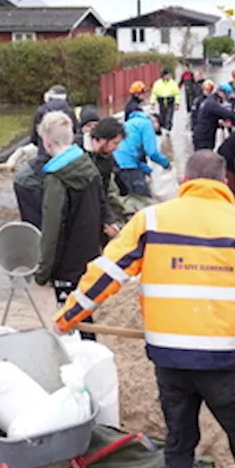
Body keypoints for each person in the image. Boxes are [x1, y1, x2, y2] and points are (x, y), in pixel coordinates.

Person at [54, 150, 235, 468]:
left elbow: (106, 272)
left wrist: (68, 317)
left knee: (180, 438)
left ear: (185, 181)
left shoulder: (151, 221)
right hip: (227, 361)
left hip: (171, 359)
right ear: (225, 183)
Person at [34, 112, 107, 341]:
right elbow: (102, 207)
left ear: (46, 142)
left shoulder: (57, 178)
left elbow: (52, 229)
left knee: (70, 318)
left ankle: (80, 367)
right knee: (85, 314)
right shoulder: (88, 166)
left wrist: (43, 271)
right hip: (90, 256)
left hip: (67, 263)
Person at [113, 105, 170, 200]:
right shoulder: (146, 124)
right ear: (155, 122)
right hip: (127, 166)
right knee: (144, 200)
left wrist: (148, 170)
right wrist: (166, 164)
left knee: (127, 198)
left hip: (116, 164)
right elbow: (152, 153)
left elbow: (131, 154)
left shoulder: (130, 123)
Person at [86, 116, 126, 237]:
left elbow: (103, 191)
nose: (117, 147)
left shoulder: (107, 160)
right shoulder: (76, 149)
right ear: (103, 140)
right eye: (115, 143)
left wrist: (109, 220)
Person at [192, 81, 235, 151]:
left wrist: (220, 123)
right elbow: (228, 114)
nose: (226, 98)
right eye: (226, 95)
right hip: (204, 138)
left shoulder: (208, 101)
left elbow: (208, 119)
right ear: (221, 93)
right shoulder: (212, 104)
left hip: (200, 135)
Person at [31, 85, 77, 150]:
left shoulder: (40, 112)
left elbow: (34, 138)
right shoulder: (70, 112)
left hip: (43, 155)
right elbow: (75, 134)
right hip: (65, 154)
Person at [151, 68, 179, 132]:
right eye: (167, 75)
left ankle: (168, 129)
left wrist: (177, 103)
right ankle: (164, 128)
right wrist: (152, 103)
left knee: (169, 117)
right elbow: (154, 93)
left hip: (170, 102)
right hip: (162, 102)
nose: (168, 76)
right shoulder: (157, 83)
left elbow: (177, 94)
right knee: (162, 117)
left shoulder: (173, 83)